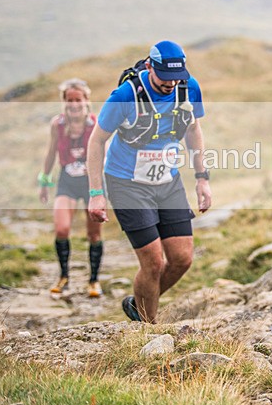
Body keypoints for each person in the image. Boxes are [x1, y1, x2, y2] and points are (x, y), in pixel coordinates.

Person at [87, 40, 212, 323]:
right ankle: (148, 328)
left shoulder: (188, 88)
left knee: (182, 259)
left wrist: (202, 178)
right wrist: (96, 193)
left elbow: (194, 129)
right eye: (165, 77)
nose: (170, 84)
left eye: (175, 77)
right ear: (149, 67)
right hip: (127, 183)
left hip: (167, 181)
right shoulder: (125, 96)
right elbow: (96, 141)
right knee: (153, 263)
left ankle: (139, 303)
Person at [38, 78, 103, 298]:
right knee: (62, 229)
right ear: (64, 102)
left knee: (93, 233)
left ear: (86, 100)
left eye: (78, 99)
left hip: (91, 183)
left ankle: (93, 280)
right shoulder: (57, 124)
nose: (74, 104)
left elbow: (104, 154)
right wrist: (44, 181)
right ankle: (63, 277)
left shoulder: (96, 124)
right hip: (67, 181)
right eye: (69, 100)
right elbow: (51, 153)